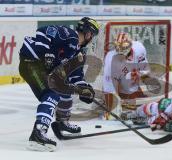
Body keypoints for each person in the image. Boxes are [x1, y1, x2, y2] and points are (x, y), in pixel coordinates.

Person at [18, 17, 100, 151]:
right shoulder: (68, 34)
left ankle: (62, 122)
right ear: (88, 33)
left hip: (38, 66)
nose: (92, 38)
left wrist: (84, 89)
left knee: (65, 88)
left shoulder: (78, 52)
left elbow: (76, 75)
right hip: (31, 62)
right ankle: (38, 133)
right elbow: (43, 31)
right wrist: (47, 53)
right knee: (51, 94)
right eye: (92, 35)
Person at [102, 32, 152, 119]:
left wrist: (139, 75)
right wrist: (110, 109)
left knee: (136, 102)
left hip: (130, 73)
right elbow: (108, 86)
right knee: (111, 108)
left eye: (124, 48)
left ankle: (130, 97)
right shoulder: (110, 58)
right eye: (118, 47)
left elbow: (146, 70)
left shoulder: (139, 48)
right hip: (117, 74)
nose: (120, 50)